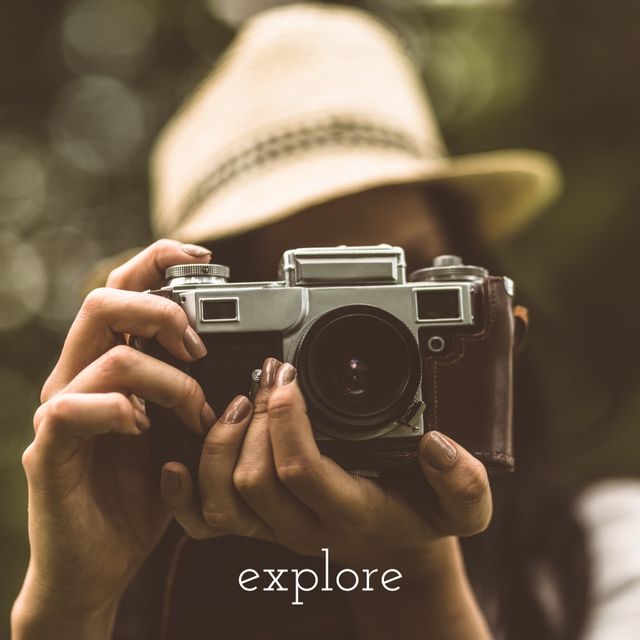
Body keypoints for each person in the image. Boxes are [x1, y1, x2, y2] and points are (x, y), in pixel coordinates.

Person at [13, 4, 617, 639]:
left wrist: (411, 570)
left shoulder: (609, 555)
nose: (362, 344)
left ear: (491, 320)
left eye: (407, 282)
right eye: (306, 297)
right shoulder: (146, 598)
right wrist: (70, 607)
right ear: (183, 341)